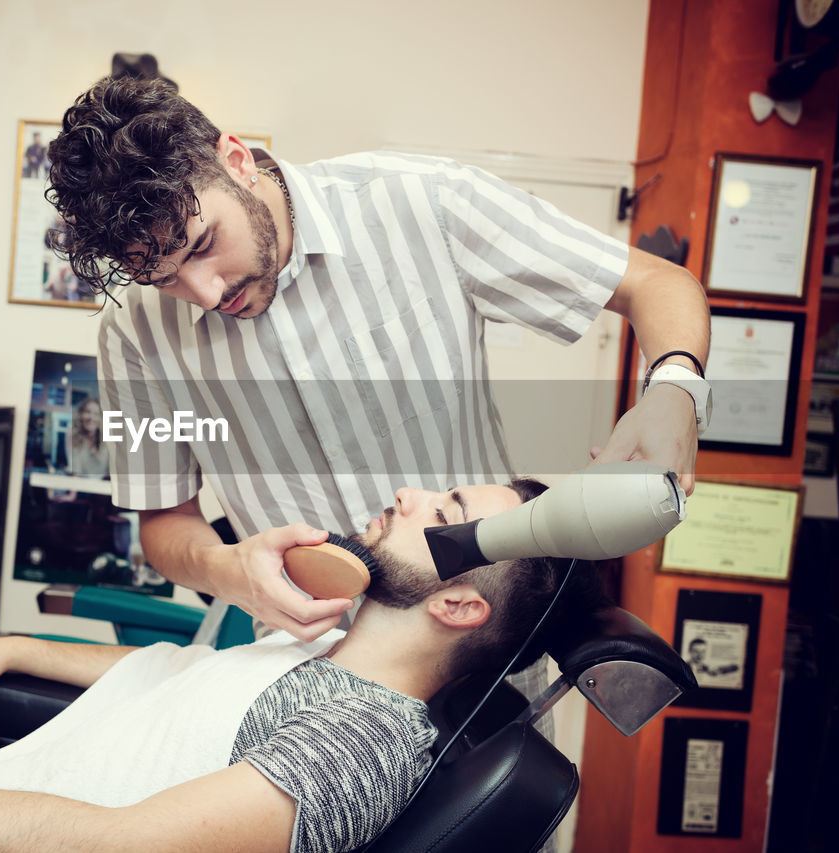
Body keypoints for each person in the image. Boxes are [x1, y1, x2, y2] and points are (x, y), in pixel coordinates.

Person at [44, 76, 710, 653]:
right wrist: (225, 569)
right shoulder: (131, 332)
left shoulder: (423, 204)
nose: (207, 294)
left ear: (237, 159)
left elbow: (658, 285)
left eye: (204, 244)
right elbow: (163, 522)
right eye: (164, 278)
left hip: (480, 648)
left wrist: (673, 388)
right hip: (303, 672)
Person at [0, 480, 594, 853]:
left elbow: (117, 845)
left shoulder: (358, 737)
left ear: (460, 603)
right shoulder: (326, 632)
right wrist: (13, 647)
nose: (407, 491)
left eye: (444, 507)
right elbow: (177, 677)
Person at [67, 397, 109, 479]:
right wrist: (73, 490)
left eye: (96, 414)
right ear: (80, 415)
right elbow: (74, 468)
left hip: (102, 489)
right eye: (87, 412)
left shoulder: (108, 439)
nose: (91, 418)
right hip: (80, 487)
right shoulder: (73, 434)